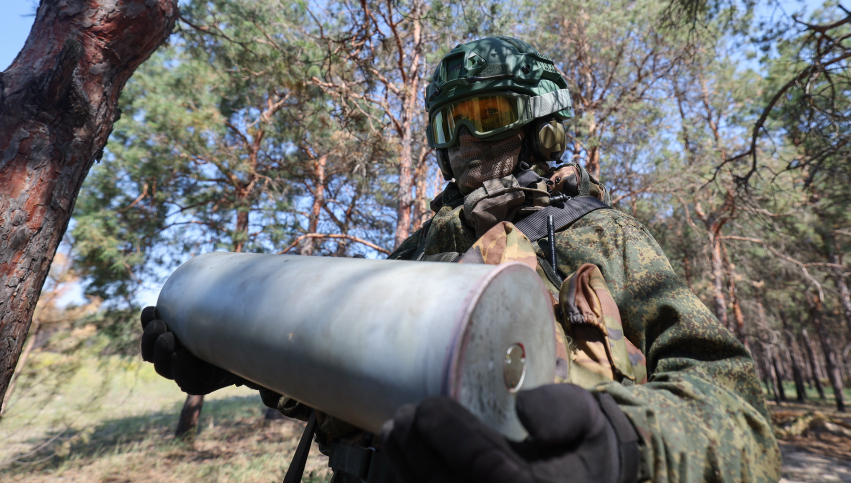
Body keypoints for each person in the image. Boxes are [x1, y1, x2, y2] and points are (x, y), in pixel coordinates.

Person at [140, 36, 781, 482]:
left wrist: (620, 442)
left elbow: (738, 413)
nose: (466, 139)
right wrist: (240, 361)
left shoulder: (603, 236)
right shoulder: (415, 253)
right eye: (451, 123)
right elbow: (342, 373)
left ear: (542, 127)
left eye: (489, 114)